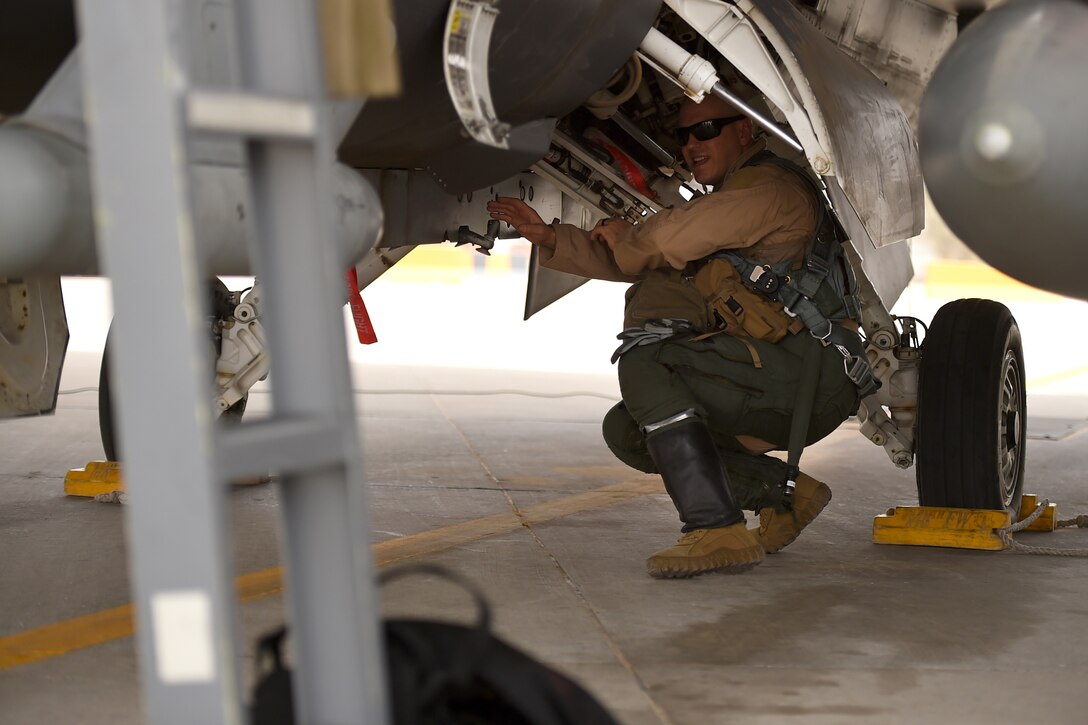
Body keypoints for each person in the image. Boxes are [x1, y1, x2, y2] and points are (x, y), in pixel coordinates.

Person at [487, 93, 863, 579]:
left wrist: (628, 235)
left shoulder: (766, 189)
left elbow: (664, 241)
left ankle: (715, 527)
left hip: (811, 374)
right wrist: (553, 238)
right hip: (774, 371)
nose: (690, 145)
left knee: (649, 361)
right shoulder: (734, 200)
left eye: (705, 130)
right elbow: (661, 259)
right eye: (683, 135)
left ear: (745, 131)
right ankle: (783, 495)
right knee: (629, 430)